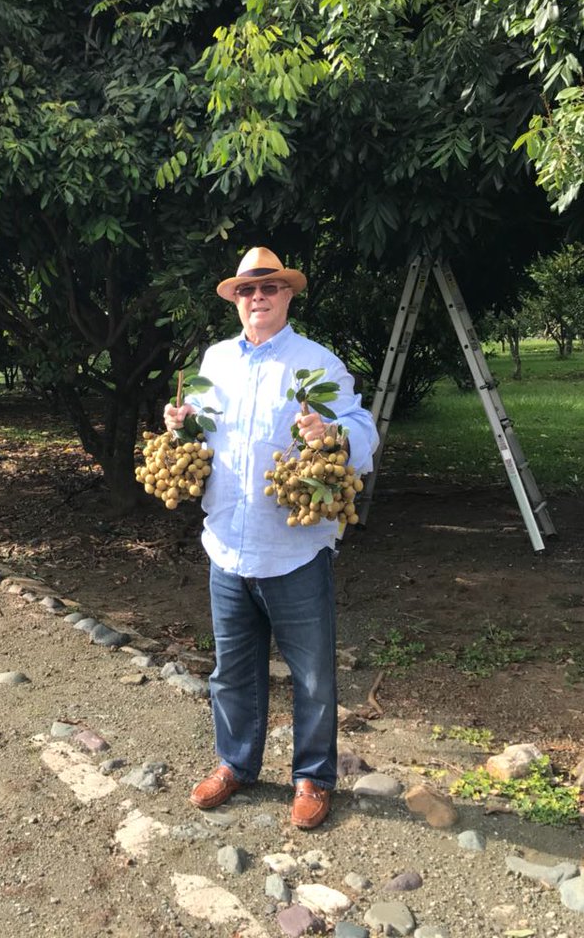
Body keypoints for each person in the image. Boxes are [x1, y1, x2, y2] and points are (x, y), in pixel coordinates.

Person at [164, 246, 378, 829]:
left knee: (312, 674)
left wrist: (330, 428)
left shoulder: (317, 363)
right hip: (227, 544)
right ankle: (236, 765)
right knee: (232, 669)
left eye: (269, 289)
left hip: (293, 548)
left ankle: (312, 777)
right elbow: (200, 434)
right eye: (247, 291)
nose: (257, 299)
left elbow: (364, 429)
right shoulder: (214, 360)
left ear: (287, 295)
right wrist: (179, 427)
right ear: (236, 300)